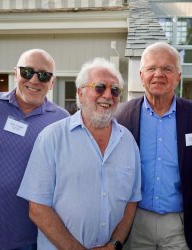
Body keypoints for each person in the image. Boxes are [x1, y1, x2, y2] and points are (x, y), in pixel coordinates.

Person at [17, 57, 141, 250]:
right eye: (100, 87)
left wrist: (114, 244)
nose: (108, 95)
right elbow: (38, 209)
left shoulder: (128, 142)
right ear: (80, 93)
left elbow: (131, 201)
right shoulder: (52, 137)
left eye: (115, 90)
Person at [0, 49, 70, 250]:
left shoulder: (62, 119)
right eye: (27, 71)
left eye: (43, 75)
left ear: (52, 82)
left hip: (30, 235)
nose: (34, 80)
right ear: (16, 73)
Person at [114, 42, 192, 250]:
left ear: (178, 77)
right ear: (141, 75)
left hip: (181, 223)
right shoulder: (121, 115)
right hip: (135, 221)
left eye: (167, 68)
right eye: (151, 68)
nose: (159, 74)